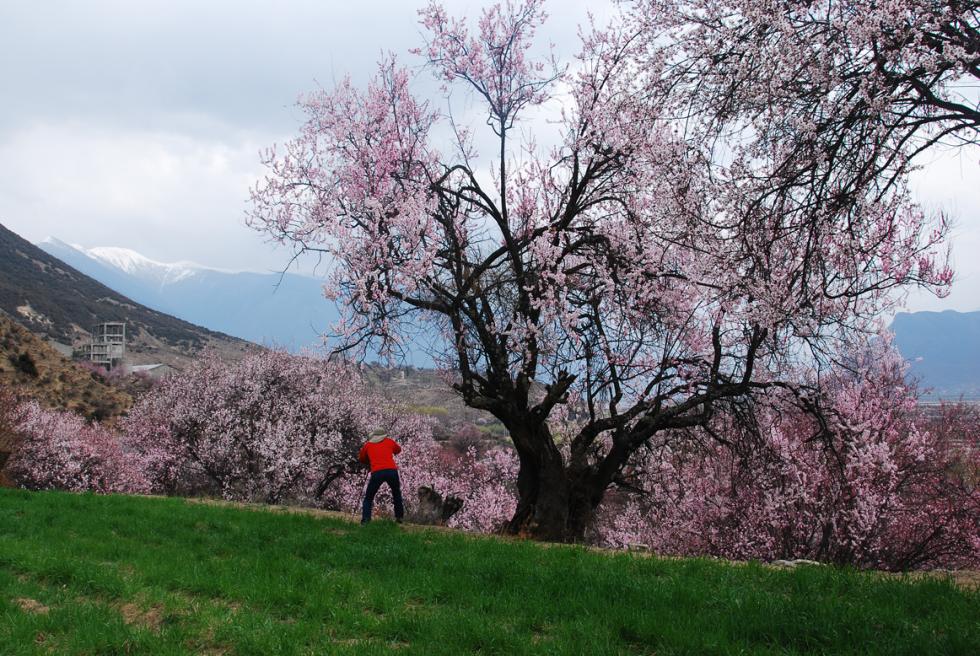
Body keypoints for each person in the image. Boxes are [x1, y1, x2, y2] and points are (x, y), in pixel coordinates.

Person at [358, 429, 404, 524]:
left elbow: (361, 458)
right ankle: (399, 517)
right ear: (383, 435)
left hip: (377, 472)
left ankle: (366, 520)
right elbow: (398, 450)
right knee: (396, 494)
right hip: (392, 470)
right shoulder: (389, 441)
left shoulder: (368, 445)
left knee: (369, 497)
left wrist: (369, 460)